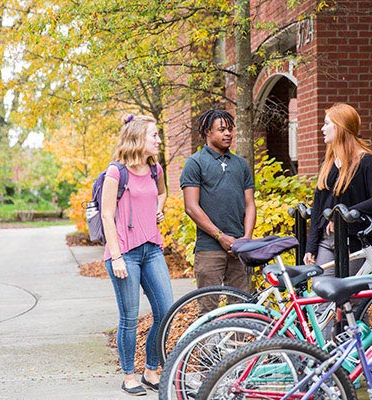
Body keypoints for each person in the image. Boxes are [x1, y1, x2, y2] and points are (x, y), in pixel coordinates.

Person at [101, 114, 174, 396]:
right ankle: (128, 375)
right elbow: (108, 215)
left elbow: (164, 193)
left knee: (165, 311)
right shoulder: (116, 172)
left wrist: (159, 207)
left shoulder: (156, 169)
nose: (158, 140)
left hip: (152, 249)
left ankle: (151, 370)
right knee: (129, 317)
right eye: (154, 135)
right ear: (138, 138)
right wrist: (117, 257)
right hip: (124, 253)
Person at [303, 103, 372, 336]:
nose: (322, 129)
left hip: (353, 243)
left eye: (327, 123)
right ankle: (326, 356)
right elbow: (318, 208)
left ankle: (360, 357)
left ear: (340, 127)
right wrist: (310, 246)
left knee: (356, 301)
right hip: (326, 242)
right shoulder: (328, 163)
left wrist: (345, 213)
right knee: (322, 297)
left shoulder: (364, 161)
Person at [180, 109, 256, 311]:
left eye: (230, 129)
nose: (228, 134)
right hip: (209, 249)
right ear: (207, 132)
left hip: (240, 249)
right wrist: (220, 236)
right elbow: (191, 207)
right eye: (222, 129)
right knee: (208, 308)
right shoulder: (195, 163)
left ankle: (238, 345)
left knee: (240, 307)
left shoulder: (241, 164)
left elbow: (250, 204)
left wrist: (246, 239)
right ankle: (211, 344)